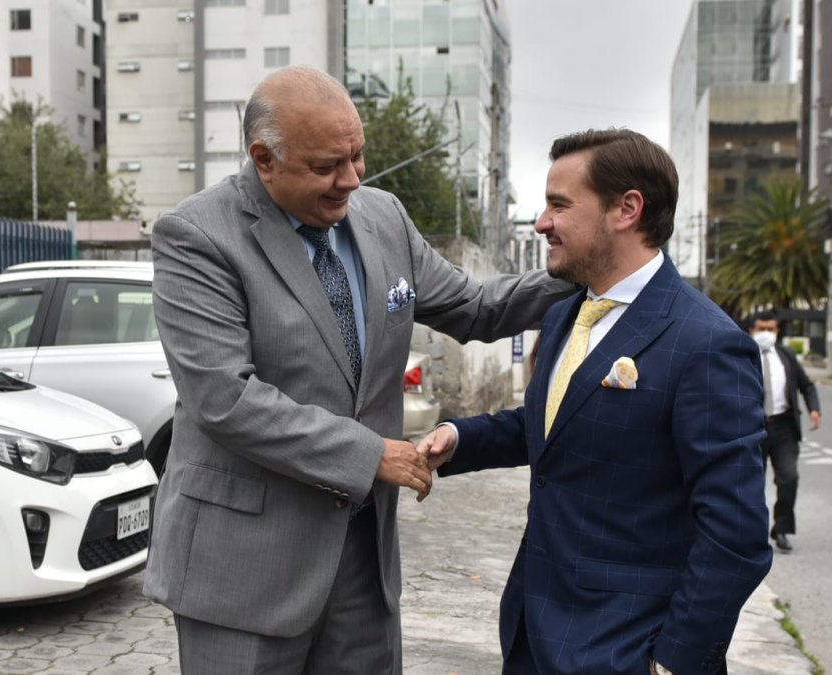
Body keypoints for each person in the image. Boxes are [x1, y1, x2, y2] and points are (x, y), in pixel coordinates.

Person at [142, 65, 575, 674]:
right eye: (326, 167)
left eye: (358, 156)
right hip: (243, 569)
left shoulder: (382, 217)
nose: (351, 179)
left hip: (361, 562)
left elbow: (477, 308)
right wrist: (374, 454)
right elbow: (225, 400)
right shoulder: (197, 236)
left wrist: (581, 270)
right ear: (264, 159)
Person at [420, 129, 773, 675]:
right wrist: (462, 439)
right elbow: (558, 425)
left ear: (627, 209)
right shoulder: (565, 315)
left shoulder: (707, 343)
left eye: (559, 205)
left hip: (627, 648)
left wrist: (674, 661)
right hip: (533, 635)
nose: (542, 223)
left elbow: (736, 533)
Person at [749, 309, 821, 553]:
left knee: (789, 478)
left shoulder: (787, 355)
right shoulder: (742, 354)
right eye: (761, 328)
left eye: (771, 329)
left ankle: (781, 528)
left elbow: (806, 385)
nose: (766, 333)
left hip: (784, 427)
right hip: (752, 428)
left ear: (777, 331)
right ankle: (751, 532)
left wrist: (814, 409)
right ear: (752, 330)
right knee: (750, 483)